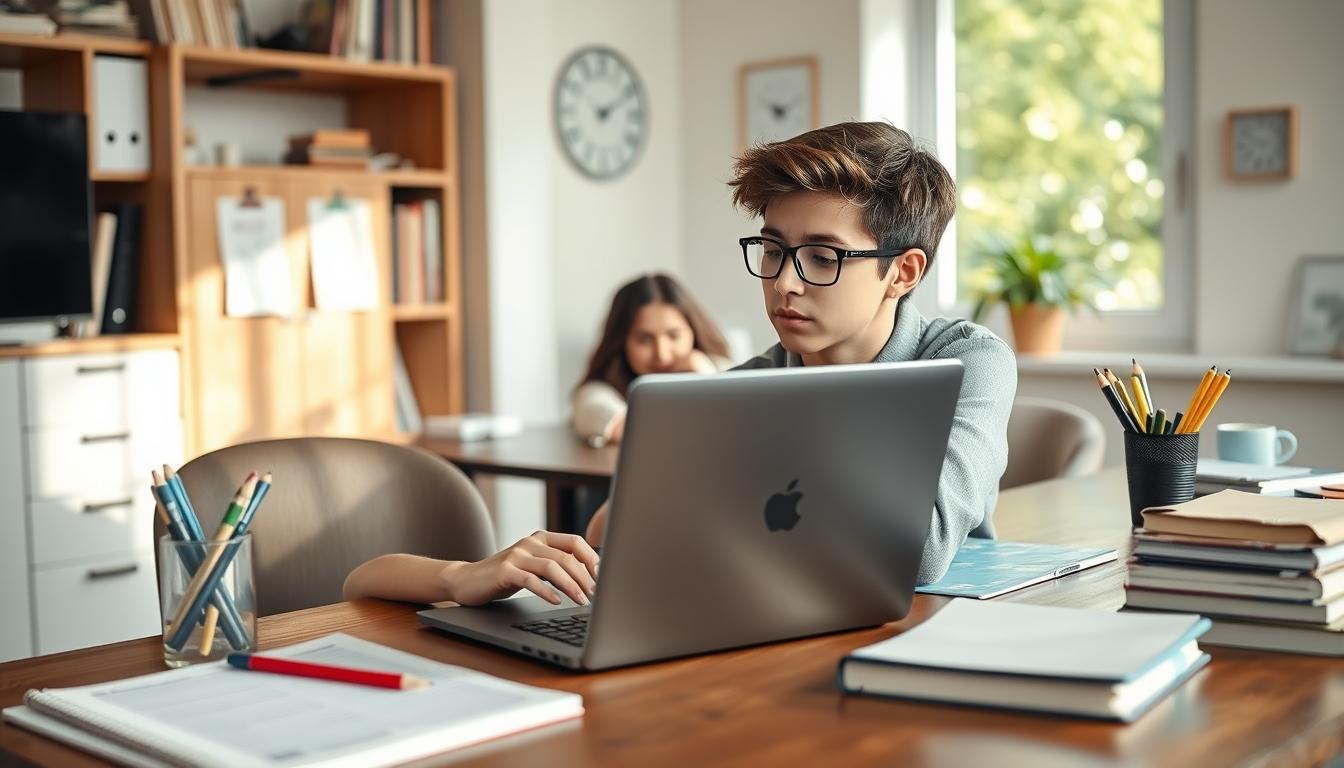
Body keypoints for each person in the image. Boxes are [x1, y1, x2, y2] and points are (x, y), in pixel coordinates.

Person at [586, 122, 1017, 584]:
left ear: (903, 273)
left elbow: (918, 554)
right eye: (772, 249)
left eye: (823, 258)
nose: (783, 283)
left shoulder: (970, 361)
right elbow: (607, 534)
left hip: (934, 627)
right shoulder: (743, 389)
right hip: (776, 618)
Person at [572, 273, 731, 446]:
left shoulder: (723, 369)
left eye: (674, 336)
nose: (662, 354)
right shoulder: (599, 391)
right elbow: (605, 416)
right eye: (644, 339)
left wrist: (707, 381)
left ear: (693, 332)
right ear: (621, 341)